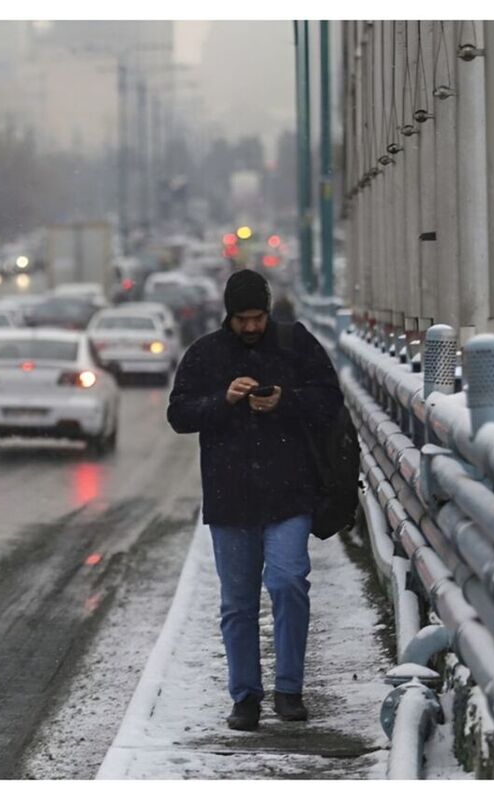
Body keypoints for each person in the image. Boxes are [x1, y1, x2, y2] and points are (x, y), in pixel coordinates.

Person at [166, 269, 342, 731]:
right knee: (238, 603)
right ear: (228, 315)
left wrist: (285, 401)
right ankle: (245, 697)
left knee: (288, 582)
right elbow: (179, 414)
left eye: (258, 317)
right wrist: (223, 401)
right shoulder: (205, 354)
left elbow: (330, 401)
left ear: (268, 311)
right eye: (242, 318)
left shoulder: (295, 344)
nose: (250, 326)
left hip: (289, 492)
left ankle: (289, 691)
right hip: (230, 497)